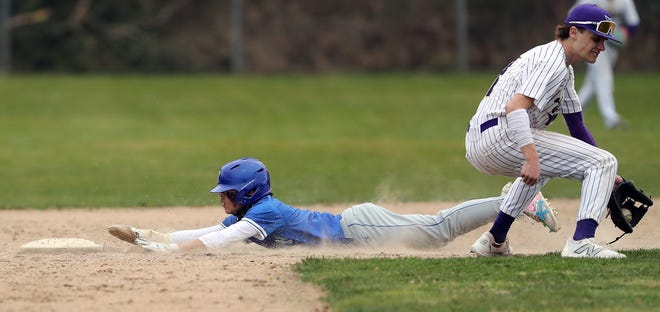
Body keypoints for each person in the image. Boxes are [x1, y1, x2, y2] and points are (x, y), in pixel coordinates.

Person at [107, 157, 559, 253]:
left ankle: (514, 199)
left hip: (359, 229)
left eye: (225, 192)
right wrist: (157, 236)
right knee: (436, 228)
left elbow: (218, 241)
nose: (221, 199)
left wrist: (166, 250)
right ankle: (509, 207)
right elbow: (210, 232)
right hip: (358, 225)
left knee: (438, 231)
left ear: (244, 194)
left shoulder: (260, 216)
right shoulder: (255, 211)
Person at [464, 4, 627, 258]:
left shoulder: (564, 67)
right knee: (602, 161)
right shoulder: (551, 62)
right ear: (574, 32)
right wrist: (530, 157)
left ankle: (494, 241)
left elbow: (576, 125)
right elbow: (515, 107)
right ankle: (581, 243)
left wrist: (611, 176)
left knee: (559, 162)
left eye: (604, 41)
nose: (602, 47)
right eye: (596, 38)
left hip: (485, 137)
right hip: (499, 135)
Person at [575, 0, 640, 129]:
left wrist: (625, 32)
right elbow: (574, 15)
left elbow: (634, 23)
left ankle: (574, 111)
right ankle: (611, 118)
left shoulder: (624, 1)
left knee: (593, 83)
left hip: (612, 44)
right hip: (593, 40)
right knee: (604, 77)